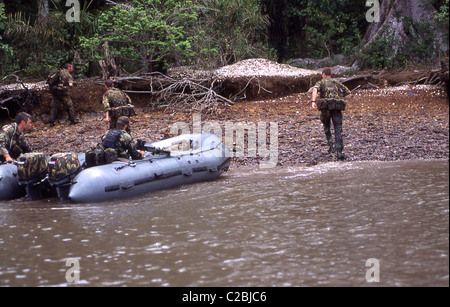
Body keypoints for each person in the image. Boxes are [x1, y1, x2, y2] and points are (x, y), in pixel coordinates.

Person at [311, 68, 352, 160]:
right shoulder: (337, 82)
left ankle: (331, 148)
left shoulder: (321, 82)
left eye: (322, 75)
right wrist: (340, 96)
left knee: (327, 127)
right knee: (338, 128)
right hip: (336, 108)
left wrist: (313, 101)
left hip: (325, 108)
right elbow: (348, 93)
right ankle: (339, 152)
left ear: (324, 74)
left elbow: (314, 90)